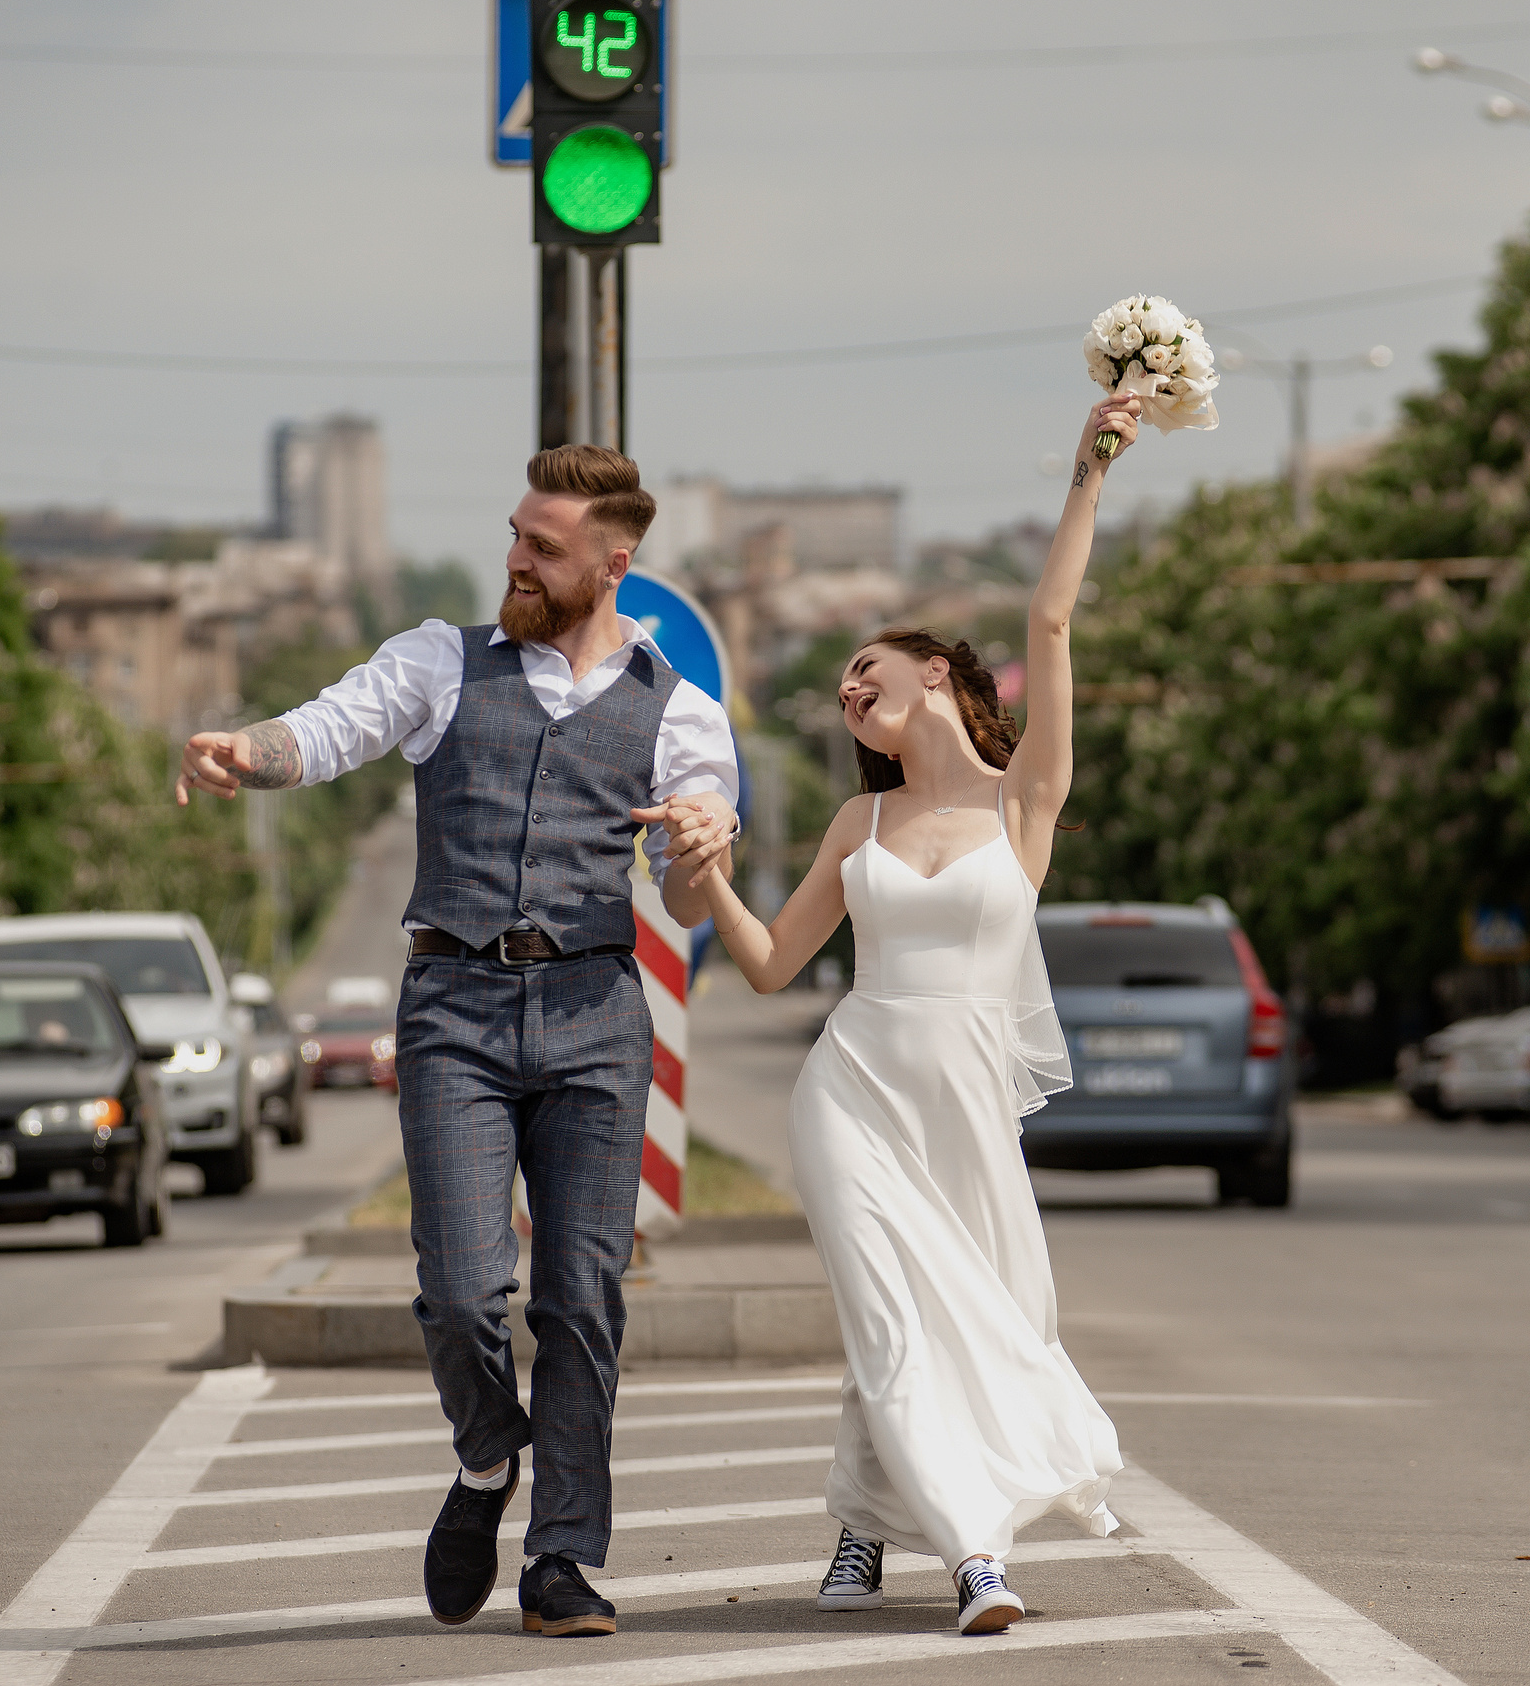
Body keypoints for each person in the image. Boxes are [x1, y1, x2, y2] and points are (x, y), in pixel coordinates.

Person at [175, 444, 740, 1639]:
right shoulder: (440, 659)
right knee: (459, 1291)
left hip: (596, 1016)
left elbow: (690, 901)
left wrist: (701, 844)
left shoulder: (679, 709)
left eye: (543, 546)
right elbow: (326, 732)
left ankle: (562, 1560)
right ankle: (489, 1460)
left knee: (582, 1297)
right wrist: (246, 748)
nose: (516, 560)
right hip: (455, 1012)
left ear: (612, 562)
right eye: (515, 535)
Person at [654, 392, 1141, 1636]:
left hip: (968, 1105)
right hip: (855, 1092)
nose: (848, 687)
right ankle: (975, 1556)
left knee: (981, 1317)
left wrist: (1088, 472)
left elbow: (1051, 614)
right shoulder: (854, 824)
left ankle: (861, 1525)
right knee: (889, 1315)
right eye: (837, 686)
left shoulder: (1022, 801)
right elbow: (770, 967)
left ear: (936, 672)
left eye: (863, 667)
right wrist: (703, 873)